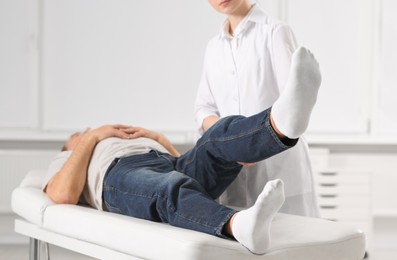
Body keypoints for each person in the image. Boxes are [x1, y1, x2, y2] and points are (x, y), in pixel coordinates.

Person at [43, 47, 321, 255]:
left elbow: (182, 170)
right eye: (82, 134)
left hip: (166, 162)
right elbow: (62, 194)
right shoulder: (68, 157)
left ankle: (281, 125)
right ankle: (238, 226)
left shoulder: (127, 139)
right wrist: (89, 138)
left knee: (216, 137)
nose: (96, 130)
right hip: (119, 174)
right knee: (168, 187)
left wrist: (157, 138)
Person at [195, 0, 320, 216]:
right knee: (243, 240)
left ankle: (277, 130)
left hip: (278, 163)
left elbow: (288, 96)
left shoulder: (275, 32)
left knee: (292, 241)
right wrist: (231, 140)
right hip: (231, 170)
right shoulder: (213, 47)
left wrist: (254, 145)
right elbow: (203, 108)